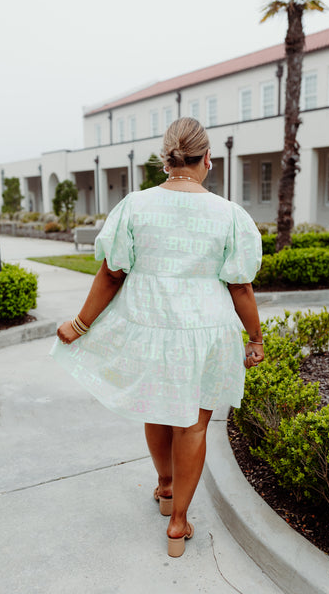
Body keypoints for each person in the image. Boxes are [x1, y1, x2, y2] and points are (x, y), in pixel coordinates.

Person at [52, 117, 264, 557]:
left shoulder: (135, 205)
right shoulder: (229, 215)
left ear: (167, 160)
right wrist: (256, 338)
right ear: (208, 159)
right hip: (206, 332)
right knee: (194, 424)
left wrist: (80, 324)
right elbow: (240, 286)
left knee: (158, 407)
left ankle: (166, 487)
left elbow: (112, 273)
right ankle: (179, 523)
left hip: (151, 324)